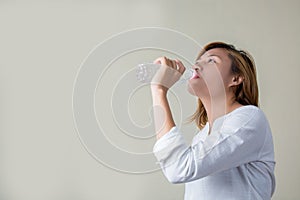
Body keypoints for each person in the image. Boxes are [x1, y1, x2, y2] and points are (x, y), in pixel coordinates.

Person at [151, 42, 276, 200]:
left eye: (212, 61)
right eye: (198, 61)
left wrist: (159, 90)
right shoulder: (201, 137)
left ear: (235, 79)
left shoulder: (249, 117)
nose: (197, 65)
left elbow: (178, 168)